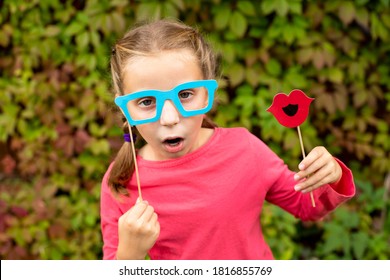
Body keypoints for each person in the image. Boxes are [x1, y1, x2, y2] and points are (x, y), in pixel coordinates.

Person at [100, 19, 355, 260]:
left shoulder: (245, 150)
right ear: (125, 108)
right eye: (146, 102)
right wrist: (129, 256)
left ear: (207, 93)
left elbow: (307, 206)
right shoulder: (121, 181)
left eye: (186, 94)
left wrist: (331, 175)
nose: (169, 118)